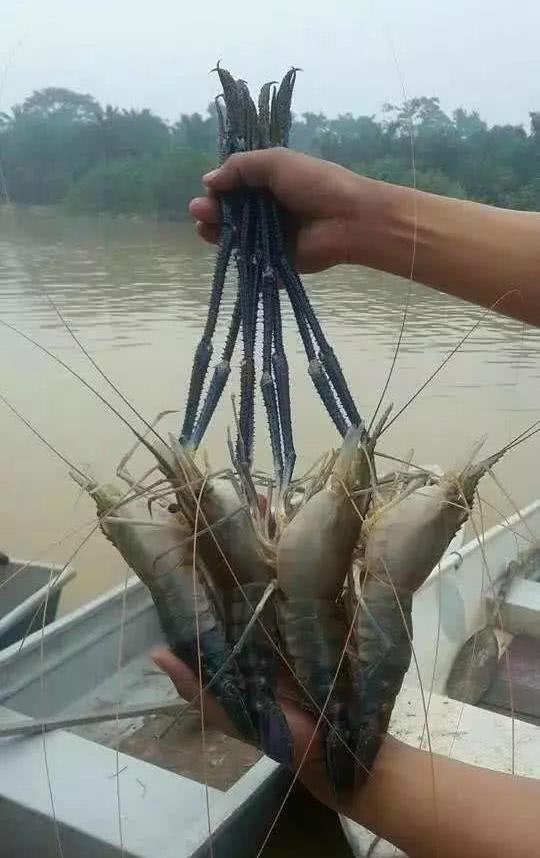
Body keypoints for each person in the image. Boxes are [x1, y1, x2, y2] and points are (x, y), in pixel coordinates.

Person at [153, 149, 540, 858]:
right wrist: (362, 219)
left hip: (323, 659)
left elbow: (339, 574)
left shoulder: (364, 578)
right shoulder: (365, 572)